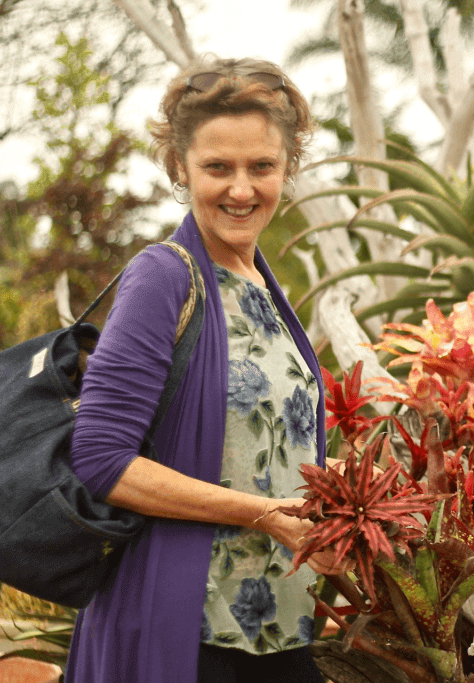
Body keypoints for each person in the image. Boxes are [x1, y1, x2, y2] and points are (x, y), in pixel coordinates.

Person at [66, 57, 334, 683]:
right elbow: (101, 459)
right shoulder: (163, 277)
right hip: (186, 629)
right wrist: (258, 512)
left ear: (287, 169)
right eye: (218, 167)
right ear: (181, 169)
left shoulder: (265, 287)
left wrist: (330, 487)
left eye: (261, 167)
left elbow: (257, 447)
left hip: (279, 628)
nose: (241, 189)